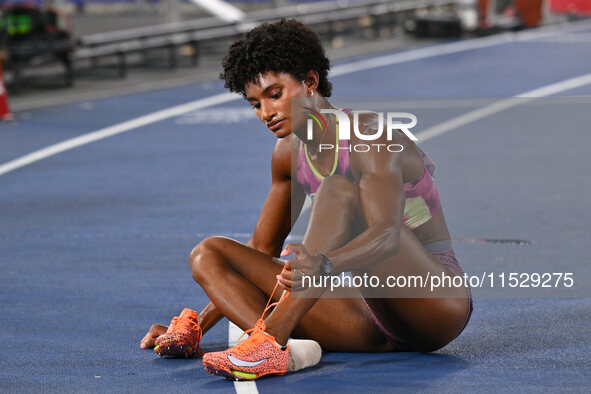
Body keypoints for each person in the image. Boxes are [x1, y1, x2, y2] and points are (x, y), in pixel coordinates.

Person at [140, 19, 473, 381]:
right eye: (254, 103)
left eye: (275, 94)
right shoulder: (287, 154)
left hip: (434, 303)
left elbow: (386, 236)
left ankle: (270, 340)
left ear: (309, 81)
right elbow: (261, 248)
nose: (265, 113)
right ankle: (280, 348)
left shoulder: (368, 135)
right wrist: (198, 327)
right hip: (370, 316)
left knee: (337, 189)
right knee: (209, 254)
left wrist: (324, 265)